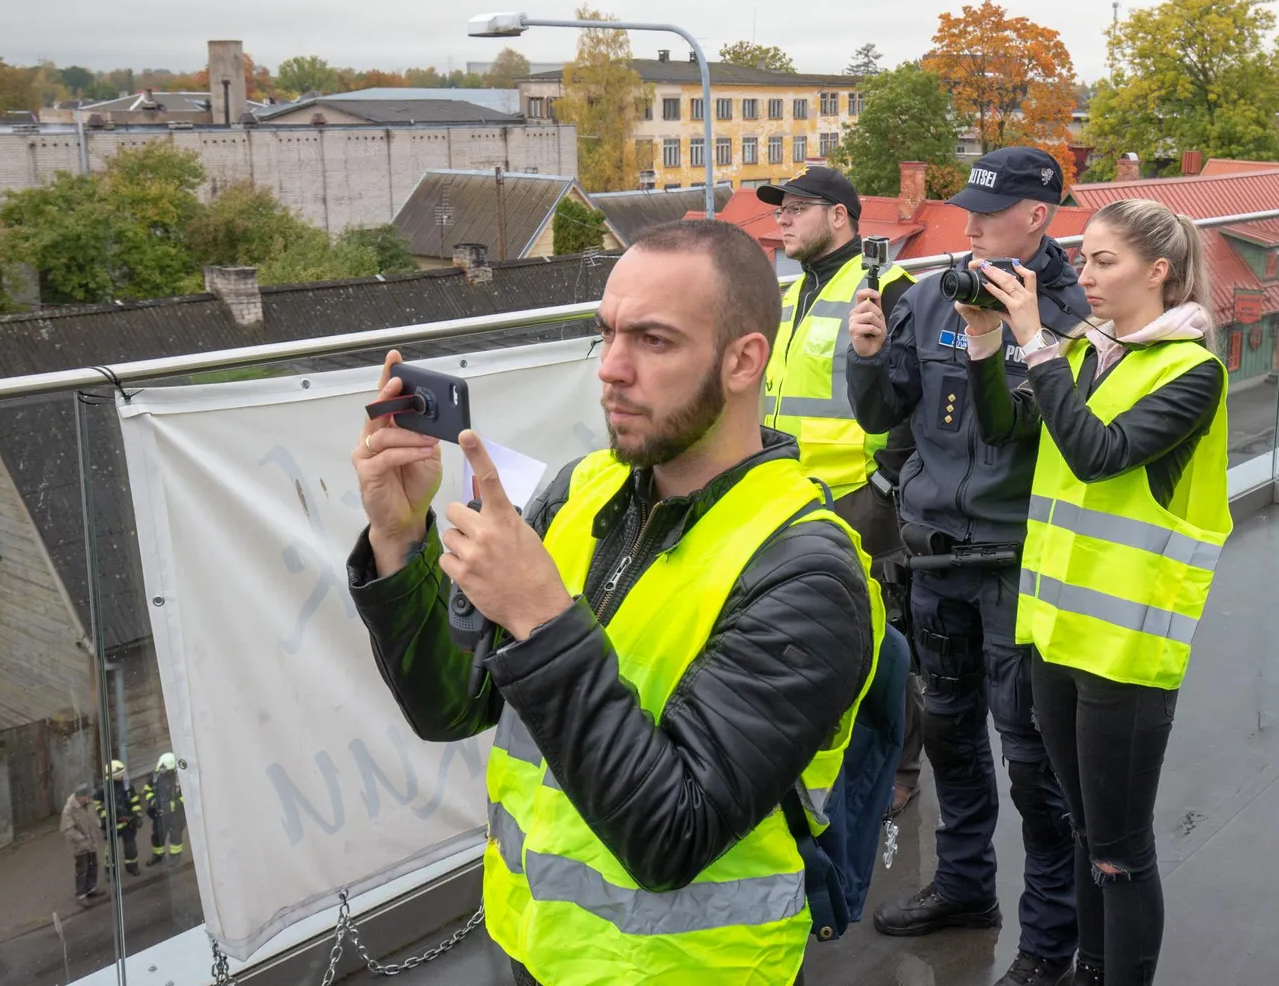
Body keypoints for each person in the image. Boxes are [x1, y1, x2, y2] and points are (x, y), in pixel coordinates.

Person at [348, 219, 883, 986]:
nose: (611, 369)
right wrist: (399, 546)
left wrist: (540, 619)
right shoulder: (576, 490)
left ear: (743, 360)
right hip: (537, 946)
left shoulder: (807, 570)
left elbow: (673, 834)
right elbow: (451, 708)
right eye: (607, 335)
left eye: (654, 341)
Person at [962, 198, 1231, 985]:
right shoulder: (1087, 355)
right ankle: (1087, 967)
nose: (1085, 275)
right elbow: (1002, 433)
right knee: (1086, 833)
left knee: (1120, 849)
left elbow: (1098, 454)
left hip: (1125, 650)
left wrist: (1035, 344)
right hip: (1054, 633)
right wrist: (985, 343)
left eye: (1104, 262)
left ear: (1161, 272)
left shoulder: (1193, 372)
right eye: (1083, 260)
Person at [845, 146, 1088, 986]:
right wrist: (869, 351)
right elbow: (884, 412)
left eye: (991, 210)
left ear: (1038, 216)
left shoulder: (1070, 312)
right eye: (968, 207)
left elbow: (1022, 430)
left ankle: (1049, 942)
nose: (971, 222)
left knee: (1031, 757)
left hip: (1016, 561)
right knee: (950, 733)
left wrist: (1005, 333)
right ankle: (963, 887)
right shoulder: (935, 293)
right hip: (934, 554)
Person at [756, 166, 923, 813]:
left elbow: (910, 394)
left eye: (798, 208)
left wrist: (885, 483)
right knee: (812, 631)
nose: (784, 219)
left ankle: (902, 769)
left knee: (880, 638)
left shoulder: (887, 288)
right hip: (792, 494)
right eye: (781, 210)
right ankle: (825, 758)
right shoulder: (793, 293)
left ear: (840, 217)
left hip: (861, 495)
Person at [95, 759, 141, 877]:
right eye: (119, 775)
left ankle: (132, 867)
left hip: (128, 823)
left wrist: (137, 815)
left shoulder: (127, 785)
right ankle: (111, 872)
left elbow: (135, 801)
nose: (122, 777)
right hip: (112, 824)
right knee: (111, 851)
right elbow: (96, 804)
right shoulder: (102, 789)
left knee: (130, 848)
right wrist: (104, 817)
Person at [60, 783, 103, 904]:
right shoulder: (69, 810)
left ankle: (91, 888)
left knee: (93, 865)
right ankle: (81, 895)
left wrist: (98, 825)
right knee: (82, 869)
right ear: (81, 797)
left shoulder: (89, 804)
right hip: (80, 846)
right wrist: (82, 838)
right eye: (88, 796)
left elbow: (93, 818)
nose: (90, 798)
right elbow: (67, 830)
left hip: (91, 842)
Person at [144, 752, 186, 866]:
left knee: (175, 835)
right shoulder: (155, 776)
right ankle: (158, 855)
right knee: (157, 834)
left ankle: (175, 856)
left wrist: (172, 805)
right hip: (159, 813)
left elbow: (186, 797)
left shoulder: (179, 779)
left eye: (164, 769)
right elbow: (147, 789)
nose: (161, 770)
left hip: (175, 815)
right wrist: (153, 801)